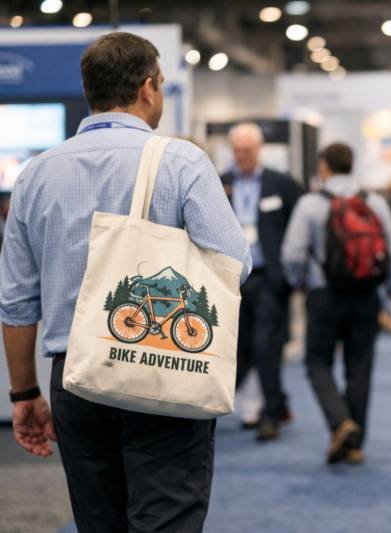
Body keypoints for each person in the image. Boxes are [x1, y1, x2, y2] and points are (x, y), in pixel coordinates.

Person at [0, 32, 251, 532]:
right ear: (149, 88)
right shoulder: (181, 162)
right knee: (167, 521)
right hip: (163, 367)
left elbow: (16, 300)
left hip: (76, 378)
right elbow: (234, 262)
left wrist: (23, 393)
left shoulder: (35, 174)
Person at [282, 143, 391, 464]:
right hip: (366, 294)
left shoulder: (310, 203)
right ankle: (355, 444)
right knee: (359, 366)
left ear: (324, 167)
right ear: (352, 165)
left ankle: (340, 422)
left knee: (317, 361)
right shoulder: (374, 201)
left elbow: (292, 253)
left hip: (325, 294)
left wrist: (301, 284)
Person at [221, 122, 304, 442]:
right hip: (232, 279)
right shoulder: (220, 183)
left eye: (247, 150)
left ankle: (270, 413)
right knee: (240, 347)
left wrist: (293, 273)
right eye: (237, 150)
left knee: (267, 345)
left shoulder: (281, 184)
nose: (242, 155)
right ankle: (276, 402)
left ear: (259, 150)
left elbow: (297, 226)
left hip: (269, 277)